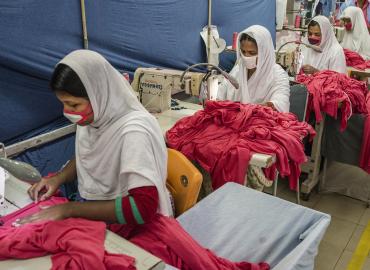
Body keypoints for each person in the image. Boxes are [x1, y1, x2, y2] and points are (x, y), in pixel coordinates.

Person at [18, 50, 173, 225]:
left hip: (132, 225)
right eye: (63, 104)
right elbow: (88, 154)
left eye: (74, 104)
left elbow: (142, 208)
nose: (67, 112)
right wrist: (59, 178)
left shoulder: (134, 133)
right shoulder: (97, 118)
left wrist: (69, 210)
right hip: (96, 210)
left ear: (98, 94)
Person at [217, 25, 290, 113]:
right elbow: (221, 93)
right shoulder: (238, 69)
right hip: (235, 120)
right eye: (243, 51)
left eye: (252, 53)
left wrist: (256, 109)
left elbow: (281, 102)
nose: (246, 56)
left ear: (264, 52)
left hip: (262, 122)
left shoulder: (278, 75)